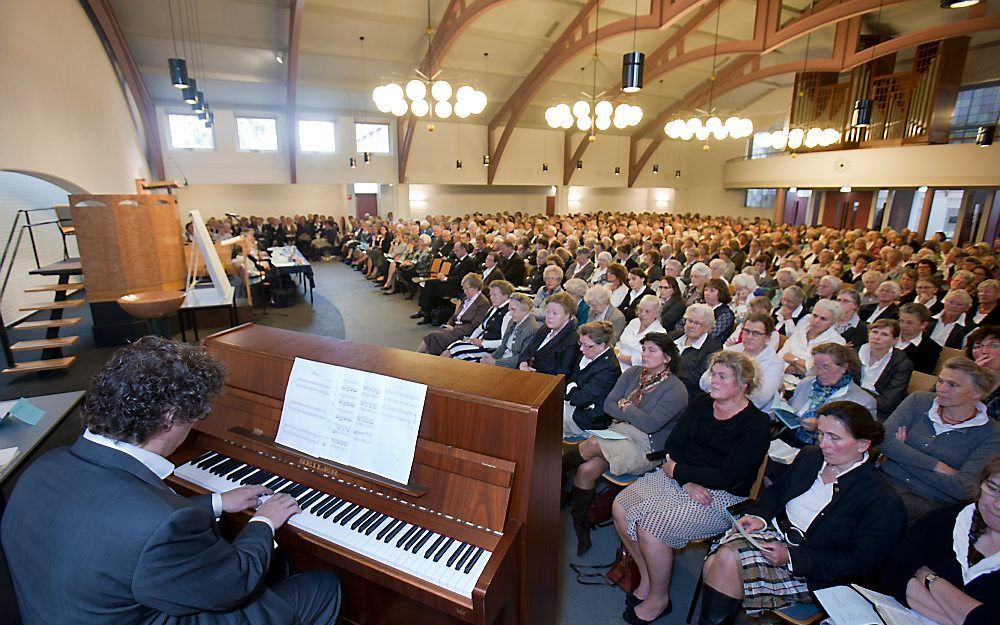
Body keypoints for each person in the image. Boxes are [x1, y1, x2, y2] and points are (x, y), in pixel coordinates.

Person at [0, 337, 341, 625]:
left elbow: (121, 526)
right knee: (325, 586)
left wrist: (217, 502)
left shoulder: (42, 468)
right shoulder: (160, 524)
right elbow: (232, 583)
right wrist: (264, 522)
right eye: (198, 415)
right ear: (170, 417)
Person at [698, 401, 906, 624]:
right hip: (773, 535)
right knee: (720, 563)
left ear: (863, 444)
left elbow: (859, 561)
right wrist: (760, 517)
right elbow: (777, 491)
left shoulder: (881, 498)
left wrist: (791, 557)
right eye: (821, 434)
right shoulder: (811, 456)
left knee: (724, 561)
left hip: (813, 568)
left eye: (834, 438)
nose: (824, 444)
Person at [612, 351, 770, 625]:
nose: (713, 381)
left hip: (722, 495)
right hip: (681, 477)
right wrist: (684, 480)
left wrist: (679, 472)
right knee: (621, 507)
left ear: (743, 383)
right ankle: (648, 576)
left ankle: (659, 598)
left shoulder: (756, 424)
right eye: (713, 374)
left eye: (722, 376)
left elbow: (730, 475)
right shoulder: (701, 403)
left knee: (651, 527)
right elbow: (674, 444)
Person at [882, 456, 1000, 625]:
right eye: (993, 488)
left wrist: (927, 576)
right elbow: (895, 569)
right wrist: (962, 616)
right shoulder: (950, 518)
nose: (997, 504)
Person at [879, 357, 1000, 520]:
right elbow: (883, 440)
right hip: (884, 480)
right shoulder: (919, 401)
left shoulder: (991, 433)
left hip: (929, 502)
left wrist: (901, 454)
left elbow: (963, 488)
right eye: (940, 381)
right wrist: (937, 465)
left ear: (976, 393)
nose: (941, 389)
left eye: (952, 385)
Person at [781, 343, 877, 448]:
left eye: (826, 367)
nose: (820, 373)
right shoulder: (807, 382)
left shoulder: (862, 401)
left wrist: (820, 428)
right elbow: (793, 408)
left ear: (844, 367)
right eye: (816, 367)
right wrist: (784, 407)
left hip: (825, 450)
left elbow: (858, 440)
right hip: (787, 439)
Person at [701, 313, 784, 411]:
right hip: (715, 403)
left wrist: (723, 391)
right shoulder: (731, 351)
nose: (749, 336)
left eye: (756, 333)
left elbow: (760, 398)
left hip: (748, 413)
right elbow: (704, 381)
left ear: (767, 337)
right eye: (746, 331)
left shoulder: (775, 363)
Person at [562, 320, 622, 438]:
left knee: (544, 416)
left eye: (586, 345)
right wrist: (574, 388)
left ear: (601, 345)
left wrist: (573, 389)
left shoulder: (608, 369)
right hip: (574, 406)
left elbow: (581, 399)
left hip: (587, 418)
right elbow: (570, 381)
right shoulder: (588, 354)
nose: (581, 349)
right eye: (580, 343)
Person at [417, 273, 491, 355]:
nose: (465, 291)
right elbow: (455, 315)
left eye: (467, 288)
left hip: (464, 334)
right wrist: (448, 325)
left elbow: (474, 325)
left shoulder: (483, 303)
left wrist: (453, 329)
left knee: (432, 337)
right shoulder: (466, 298)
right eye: (464, 288)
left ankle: (416, 356)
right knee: (431, 342)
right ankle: (418, 357)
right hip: (455, 329)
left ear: (476, 288)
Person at [443, 280, 513, 362]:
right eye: (491, 295)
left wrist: (483, 343)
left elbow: (505, 341)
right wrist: (471, 339)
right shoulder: (493, 308)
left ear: (505, 296)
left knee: (456, 348)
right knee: (456, 351)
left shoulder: (508, 314)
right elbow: (481, 328)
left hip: (492, 350)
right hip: (480, 344)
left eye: (495, 295)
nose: (491, 298)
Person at [859, 319, 914, 421]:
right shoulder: (856, 353)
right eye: (874, 332)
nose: (877, 337)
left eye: (884, 334)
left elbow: (887, 403)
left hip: (878, 412)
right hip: (849, 400)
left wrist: (856, 391)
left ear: (895, 340)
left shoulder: (902, 364)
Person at [778, 299, 846, 380]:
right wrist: (799, 368)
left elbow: (818, 372)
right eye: (815, 315)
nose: (816, 321)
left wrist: (793, 360)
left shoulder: (837, 342)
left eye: (823, 319)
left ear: (832, 323)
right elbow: (780, 357)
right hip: (783, 378)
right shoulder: (801, 331)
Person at [518, 291, 580, 377]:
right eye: (548, 312)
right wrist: (523, 363)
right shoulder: (544, 329)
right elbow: (527, 351)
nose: (549, 317)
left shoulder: (573, 340)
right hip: (525, 375)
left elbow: (562, 373)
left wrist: (533, 373)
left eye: (555, 313)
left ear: (568, 315)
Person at [675, 303, 724, 397]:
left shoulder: (713, 349)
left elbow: (696, 379)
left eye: (697, 323)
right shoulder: (674, 337)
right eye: (690, 321)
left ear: (707, 327)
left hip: (685, 394)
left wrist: (667, 369)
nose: (691, 325)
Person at [482, 293, 540, 368]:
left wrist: (496, 362)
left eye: (513, 310)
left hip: (513, 367)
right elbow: (503, 346)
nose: (510, 313)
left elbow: (522, 357)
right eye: (509, 309)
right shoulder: (512, 321)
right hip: (502, 360)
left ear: (525, 310)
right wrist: (489, 358)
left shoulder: (533, 329)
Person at [617, 295, 666, 371]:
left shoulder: (659, 333)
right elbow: (620, 342)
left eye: (647, 311)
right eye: (640, 310)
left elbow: (646, 359)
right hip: (617, 364)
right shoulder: (634, 322)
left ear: (656, 313)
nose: (642, 314)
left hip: (636, 371)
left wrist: (619, 357)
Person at [966, 326, 1000, 420]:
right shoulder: (959, 374)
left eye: (994, 346)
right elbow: (933, 400)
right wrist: (969, 377)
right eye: (978, 346)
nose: (984, 352)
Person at [897, 302, 942, 374]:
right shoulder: (890, 336)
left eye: (909, 323)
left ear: (923, 325)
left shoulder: (931, 348)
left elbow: (920, 376)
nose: (903, 325)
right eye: (901, 321)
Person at [704, 278, 736, 342]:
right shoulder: (700, 307)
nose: (707, 293)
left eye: (712, 291)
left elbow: (712, 334)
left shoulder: (726, 314)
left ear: (721, 293)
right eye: (706, 290)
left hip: (712, 347)